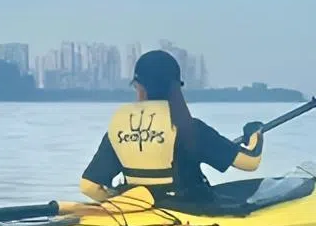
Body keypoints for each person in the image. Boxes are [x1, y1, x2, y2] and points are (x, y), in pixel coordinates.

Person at [81, 50, 265, 207]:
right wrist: (255, 133)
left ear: (139, 86)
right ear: (176, 88)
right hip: (191, 213)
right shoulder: (191, 129)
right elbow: (250, 162)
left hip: (136, 211)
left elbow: (89, 186)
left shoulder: (120, 129)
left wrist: (123, 204)